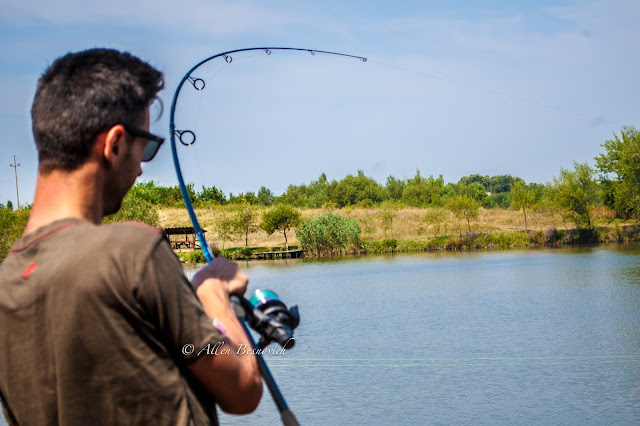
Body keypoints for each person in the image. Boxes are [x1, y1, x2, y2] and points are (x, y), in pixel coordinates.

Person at [0, 48, 262, 425]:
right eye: (148, 147)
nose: (141, 168)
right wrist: (212, 294)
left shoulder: (7, 283)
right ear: (115, 144)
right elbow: (242, 390)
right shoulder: (132, 253)